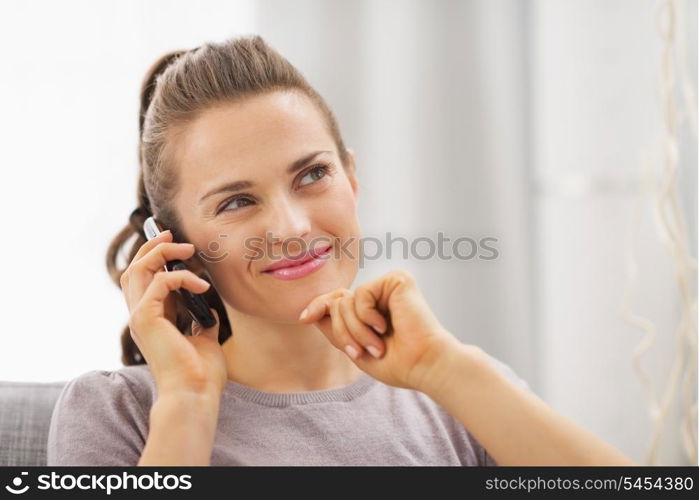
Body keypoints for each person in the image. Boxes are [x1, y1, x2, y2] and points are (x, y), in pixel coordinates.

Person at [46, 34, 635, 466]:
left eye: (311, 175)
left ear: (351, 178)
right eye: (235, 202)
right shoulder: (119, 414)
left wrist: (444, 370)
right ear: (174, 245)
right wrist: (189, 404)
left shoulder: (454, 390)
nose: (294, 226)